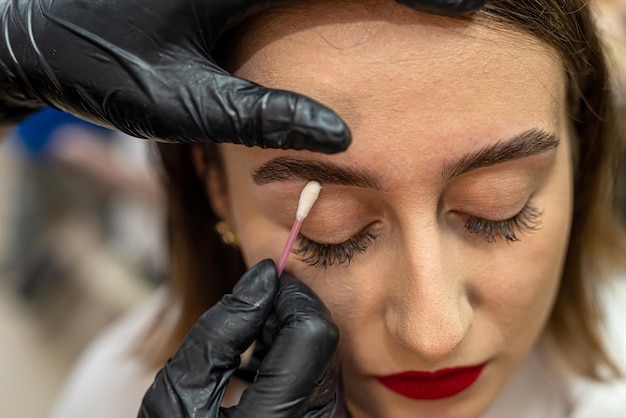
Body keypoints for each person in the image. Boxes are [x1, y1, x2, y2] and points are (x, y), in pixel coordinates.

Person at [46, 0, 626, 417]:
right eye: (333, 230)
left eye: (498, 208)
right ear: (217, 187)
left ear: (581, 158)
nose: (433, 333)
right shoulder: (115, 393)